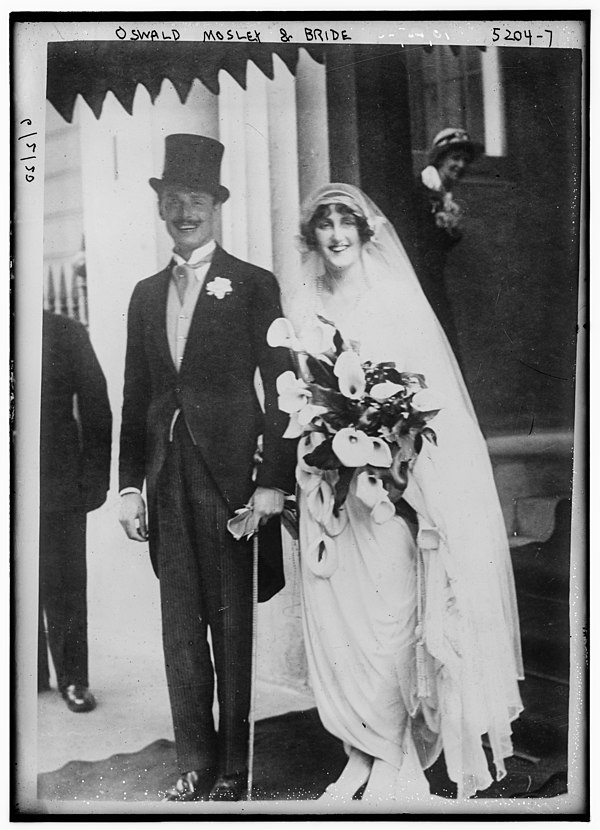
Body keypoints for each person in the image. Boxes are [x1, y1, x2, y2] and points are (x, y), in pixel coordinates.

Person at [279, 184, 523, 804]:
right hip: (330, 488)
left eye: (346, 223)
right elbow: (305, 393)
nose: (336, 235)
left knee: (390, 620)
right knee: (343, 625)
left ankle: (397, 755)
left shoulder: (391, 296)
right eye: (325, 225)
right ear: (315, 237)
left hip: (390, 489)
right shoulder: (305, 300)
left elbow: (421, 398)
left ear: (365, 231)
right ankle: (358, 755)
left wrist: (394, 460)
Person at [118, 134, 297, 802]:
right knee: (181, 633)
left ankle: (235, 766)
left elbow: (285, 391)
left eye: (196, 198)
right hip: (168, 482)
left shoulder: (252, 284)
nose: (184, 209)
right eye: (173, 199)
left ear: (217, 206)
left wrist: (274, 480)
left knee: (232, 630)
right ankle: (195, 759)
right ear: (161, 207)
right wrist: (130, 487)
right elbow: (136, 397)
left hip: (233, 486)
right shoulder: (142, 295)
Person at [38, 309, 112, 712]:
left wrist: (95, 477)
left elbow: (96, 406)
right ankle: (26, 674)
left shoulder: (65, 332)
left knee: (64, 581)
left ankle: (73, 679)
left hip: (57, 478)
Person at [405, 128, 482, 362]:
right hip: (418, 280)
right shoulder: (421, 191)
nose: (461, 165)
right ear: (440, 158)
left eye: (465, 160)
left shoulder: (440, 194)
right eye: (455, 158)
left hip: (432, 279)